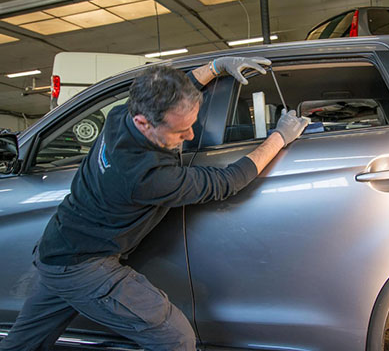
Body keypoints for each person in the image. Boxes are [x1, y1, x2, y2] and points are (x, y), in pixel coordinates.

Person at [0, 56, 308, 351]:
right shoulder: (145, 176)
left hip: (55, 250)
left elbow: (173, 90)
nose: (189, 136)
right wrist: (280, 137)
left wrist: (216, 67)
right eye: (179, 131)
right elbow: (226, 181)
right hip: (85, 266)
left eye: (192, 124)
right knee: (173, 339)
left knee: (22, 345)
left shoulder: (120, 116)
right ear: (143, 123)